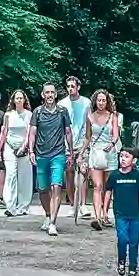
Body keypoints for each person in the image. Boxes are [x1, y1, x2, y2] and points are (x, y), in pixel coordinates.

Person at [30, 82, 73, 237]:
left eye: (52, 92)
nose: (49, 95)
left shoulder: (62, 111)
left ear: (55, 94)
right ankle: (48, 215)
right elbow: (32, 132)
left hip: (58, 154)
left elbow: (68, 132)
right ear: (43, 95)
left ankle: (53, 223)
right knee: (43, 189)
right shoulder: (37, 112)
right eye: (46, 92)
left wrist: (71, 152)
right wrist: (30, 151)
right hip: (41, 154)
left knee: (56, 187)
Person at [108, 145, 139, 276]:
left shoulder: (137, 175)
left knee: (134, 241)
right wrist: (104, 210)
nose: (123, 159)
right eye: (121, 156)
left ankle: (133, 267)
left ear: (134, 160)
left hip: (134, 215)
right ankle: (121, 260)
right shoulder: (114, 175)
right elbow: (108, 190)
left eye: (127, 157)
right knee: (122, 239)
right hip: (120, 213)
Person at [83, 89, 121, 230]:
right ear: (95, 101)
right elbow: (87, 137)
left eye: (104, 100)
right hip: (95, 152)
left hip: (109, 153)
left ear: (107, 102)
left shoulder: (113, 116)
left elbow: (115, 135)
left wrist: (111, 144)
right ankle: (97, 216)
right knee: (98, 186)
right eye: (99, 100)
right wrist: (81, 153)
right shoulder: (90, 117)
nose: (101, 103)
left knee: (108, 187)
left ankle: (105, 213)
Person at [0, 90, 34, 216]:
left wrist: (24, 147)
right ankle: (10, 205)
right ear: (13, 100)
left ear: (24, 100)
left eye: (21, 98)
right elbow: (4, 132)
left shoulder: (29, 115)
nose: (19, 100)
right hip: (9, 146)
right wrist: (0, 148)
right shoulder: (8, 115)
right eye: (17, 98)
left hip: (24, 148)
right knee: (11, 175)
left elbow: (30, 133)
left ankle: (23, 206)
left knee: (25, 177)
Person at [58, 76, 89, 208]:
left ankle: (82, 204)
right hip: (66, 142)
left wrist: (88, 140)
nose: (70, 89)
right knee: (69, 173)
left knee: (83, 171)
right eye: (68, 86)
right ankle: (72, 203)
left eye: (73, 86)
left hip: (82, 141)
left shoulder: (86, 103)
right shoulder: (62, 104)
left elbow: (89, 122)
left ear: (78, 87)